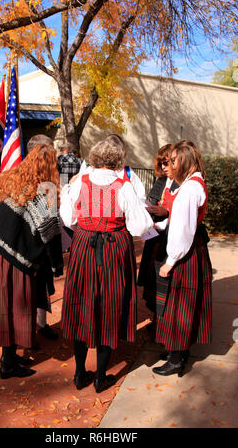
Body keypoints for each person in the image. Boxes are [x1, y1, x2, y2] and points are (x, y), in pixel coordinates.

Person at [60, 137, 153, 392]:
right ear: (118, 160)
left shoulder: (79, 182)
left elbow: (67, 218)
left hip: (83, 246)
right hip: (114, 248)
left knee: (81, 302)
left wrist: (87, 224)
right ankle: (100, 377)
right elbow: (140, 226)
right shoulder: (124, 186)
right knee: (111, 304)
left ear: (95, 157)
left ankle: (80, 374)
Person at [0, 144, 63, 379]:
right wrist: (56, 264)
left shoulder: (7, 178)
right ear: (50, 166)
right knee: (13, 306)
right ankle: (7, 365)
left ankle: (8, 356)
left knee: (3, 305)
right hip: (15, 259)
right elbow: (50, 233)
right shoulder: (44, 191)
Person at [152, 140, 212, 377]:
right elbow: (178, 221)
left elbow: (183, 230)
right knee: (182, 302)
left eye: (174, 160)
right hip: (191, 250)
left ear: (184, 161)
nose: (171, 164)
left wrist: (171, 260)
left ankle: (177, 358)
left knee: (179, 304)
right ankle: (177, 352)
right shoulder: (193, 183)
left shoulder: (189, 188)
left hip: (185, 254)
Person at [137, 144, 179, 312]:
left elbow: (185, 213)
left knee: (163, 280)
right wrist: (149, 209)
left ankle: (160, 319)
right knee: (151, 278)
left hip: (169, 236)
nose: (163, 167)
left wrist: (166, 211)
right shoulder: (161, 180)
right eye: (161, 163)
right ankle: (154, 313)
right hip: (155, 234)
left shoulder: (183, 183)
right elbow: (153, 200)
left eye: (166, 163)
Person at [26, 134, 58, 340]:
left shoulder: (49, 180)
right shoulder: (23, 178)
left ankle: (40, 323)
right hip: (29, 248)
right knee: (27, 292)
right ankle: (27, 330)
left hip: (40, 248)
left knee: (42, 288)